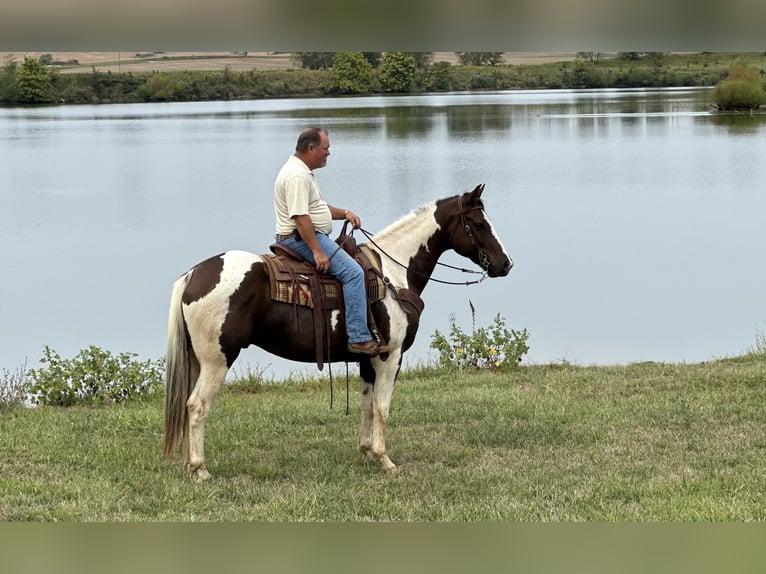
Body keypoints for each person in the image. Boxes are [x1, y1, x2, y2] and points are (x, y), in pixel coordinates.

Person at [273, 127, 387, 356]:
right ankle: (358, 338)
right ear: (310, 148)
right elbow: (300, 217)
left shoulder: (302, 172)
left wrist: (344, 213)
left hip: (308, 234)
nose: (328, 154)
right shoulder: (296, 176)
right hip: (302, 238)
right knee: (354, 273)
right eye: (325, 149)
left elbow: (316, 209)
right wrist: (317, 251)